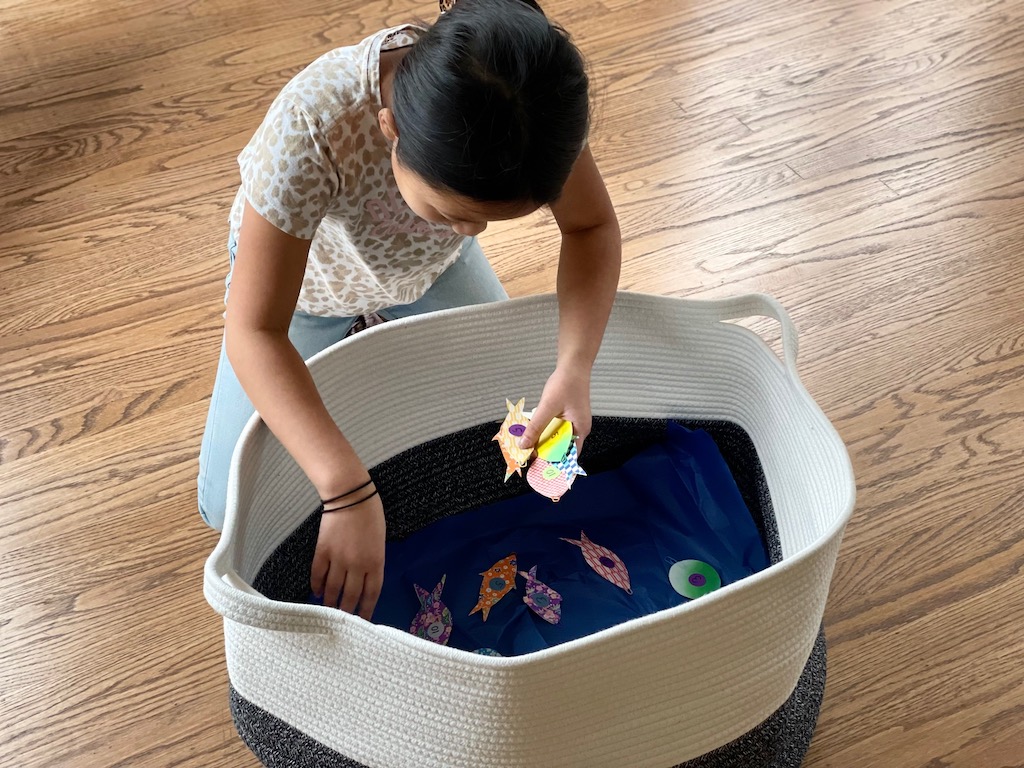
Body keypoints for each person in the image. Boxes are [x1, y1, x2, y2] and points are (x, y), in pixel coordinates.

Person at [197, 0, 621, 621]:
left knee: (521, 427)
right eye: (456, 212)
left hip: (428, 270)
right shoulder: (313, 123)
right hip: (309, 285)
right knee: (229, 506)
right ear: (390, 130)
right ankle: (360, 328)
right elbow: (254, 330)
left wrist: (575, 366)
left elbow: (592, 227)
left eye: (491, 219)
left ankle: (387, 319)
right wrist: (344, 491)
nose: (473, 230)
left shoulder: (536, 110)